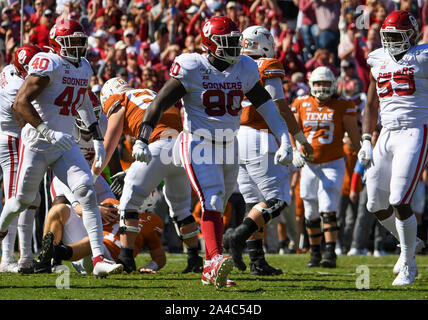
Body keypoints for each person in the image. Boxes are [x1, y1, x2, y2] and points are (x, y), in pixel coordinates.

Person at [133, 16, 293, 288]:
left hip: (230, 143)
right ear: (210, 44)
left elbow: (267, 106)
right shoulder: (192, 66)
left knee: (220, 202)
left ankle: (210, 268)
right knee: (214, 198)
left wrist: (285, 139)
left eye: (235, 41)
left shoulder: (244, 66)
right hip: (198, 141)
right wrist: (142, 138)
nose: (234, 47)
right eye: (228, 42)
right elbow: (159, 103)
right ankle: (216, 258)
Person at [0, 19, 122, 278]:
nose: (77, 46)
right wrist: (46, 130)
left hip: (64, 144)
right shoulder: (49, 62)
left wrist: (98, 138)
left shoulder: (84, 67)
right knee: (22, 201)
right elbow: (20, 103)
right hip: (36, 143)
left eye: (80, 41)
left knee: (87, 193)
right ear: (57, 43)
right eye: (72, 41)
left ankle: (99, 258)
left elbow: (84, 103)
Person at [223, 25, 313, 276]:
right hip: (259, 137)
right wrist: (299, 139)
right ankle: (237, 235)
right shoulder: (266, 65)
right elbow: (279, 106)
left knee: (253, 203)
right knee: (279, 199)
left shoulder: (232, 65)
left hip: (235, 138)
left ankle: (257, 261)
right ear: (263, 44)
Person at [93, 77, 203, 275]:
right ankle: (195, 258)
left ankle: (126, 259)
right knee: (181, 208)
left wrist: (95, 172)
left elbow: (112, 137)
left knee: (129, 203)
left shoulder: (118, 98)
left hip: (157, 147)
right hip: (180, 149)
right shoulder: (148, 93)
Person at [357, 10, 428, 286]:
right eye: (388, 37)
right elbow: (371, 104)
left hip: (414, 130)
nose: (392, 42)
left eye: (397, 37)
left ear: (412, 35)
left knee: (399, 199)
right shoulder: (378, 59)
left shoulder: (423, 56)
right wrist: (365, 139)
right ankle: (410, 243)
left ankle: (409, 263)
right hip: (385, 134)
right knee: (375, 202)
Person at [291, 66, 361, 268]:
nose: (322, 87)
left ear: (334, 84)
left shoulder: (342, 104)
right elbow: (293, 128)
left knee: (328, 209)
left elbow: (353, 136)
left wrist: (361, 153)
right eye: (318, 83)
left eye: (326, 83)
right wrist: (295, 150)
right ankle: (314, 254)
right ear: (311, 84)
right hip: (309, 165)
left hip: (333, 163)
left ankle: (330, 253)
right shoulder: (301, 103)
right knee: (310, 211)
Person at [37, 197, 166, 275]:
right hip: (85, 251)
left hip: (108, 260)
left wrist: (148, 267)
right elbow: (86, 219)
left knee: (94, 242)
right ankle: (45, 261)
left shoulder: (152, 221)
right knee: (59, 209)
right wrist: (96, 209)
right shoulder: (112, 203)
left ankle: (57, 252)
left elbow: (159, 257)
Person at [0, 45, 43, 273]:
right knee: (15, 199)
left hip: (17, 137)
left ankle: (26, 256)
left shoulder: (9, 70)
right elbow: (26, 114)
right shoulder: (17, 86)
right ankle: (7, 257)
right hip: (14, 139)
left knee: (30, 198)